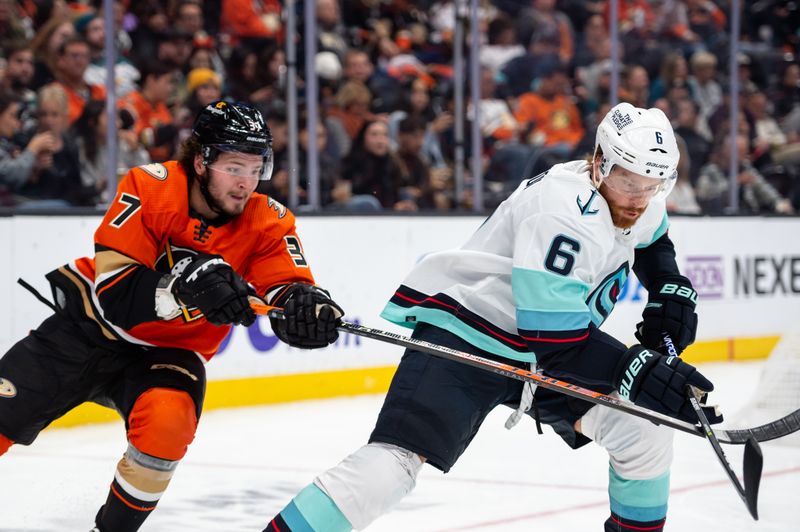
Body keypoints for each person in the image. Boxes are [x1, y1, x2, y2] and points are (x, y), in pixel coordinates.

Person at [265, 103, 719, 532]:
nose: (639, 197)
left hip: (539, 355)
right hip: (468, 336)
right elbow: (555, 339)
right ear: (600, 162)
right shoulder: (562, 213)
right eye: (629, 182)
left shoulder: (638, 189)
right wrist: (638, 371)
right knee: (394, 466)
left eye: (652, 184)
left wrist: (668, 287)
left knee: (644, 431)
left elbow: (652, 238)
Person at [0, 101, 344, 532]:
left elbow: (285, 286)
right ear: (202, 160)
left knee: (169, 422)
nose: (246, 184)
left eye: (256, 170)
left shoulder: (268, 220)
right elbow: (117, 295)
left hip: (172, 350)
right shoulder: (150, 186)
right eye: (235, 167)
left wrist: (306, 306)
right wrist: (185, 282)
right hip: (91, 326)